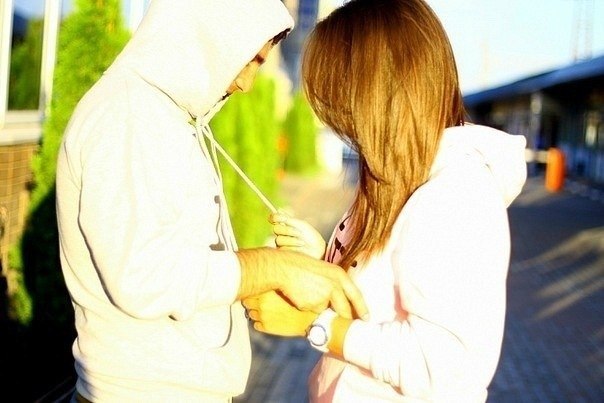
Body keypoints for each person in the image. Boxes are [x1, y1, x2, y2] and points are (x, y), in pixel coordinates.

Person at [55, 1, 368, 401]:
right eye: (251, 59)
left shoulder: (160, 116)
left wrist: (275, 270)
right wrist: (274, 268)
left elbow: (175, 260)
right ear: (212, 30)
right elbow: (143, 276)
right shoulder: (129, 115)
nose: (247, 84)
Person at [242, 0, 528, 401]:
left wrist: (315, 323)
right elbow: (381, 300)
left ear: (378, 93)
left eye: (341, 101)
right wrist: (325, 263)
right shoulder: (398, 178)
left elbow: (444, 368)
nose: (339, 122)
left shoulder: (456, 196)